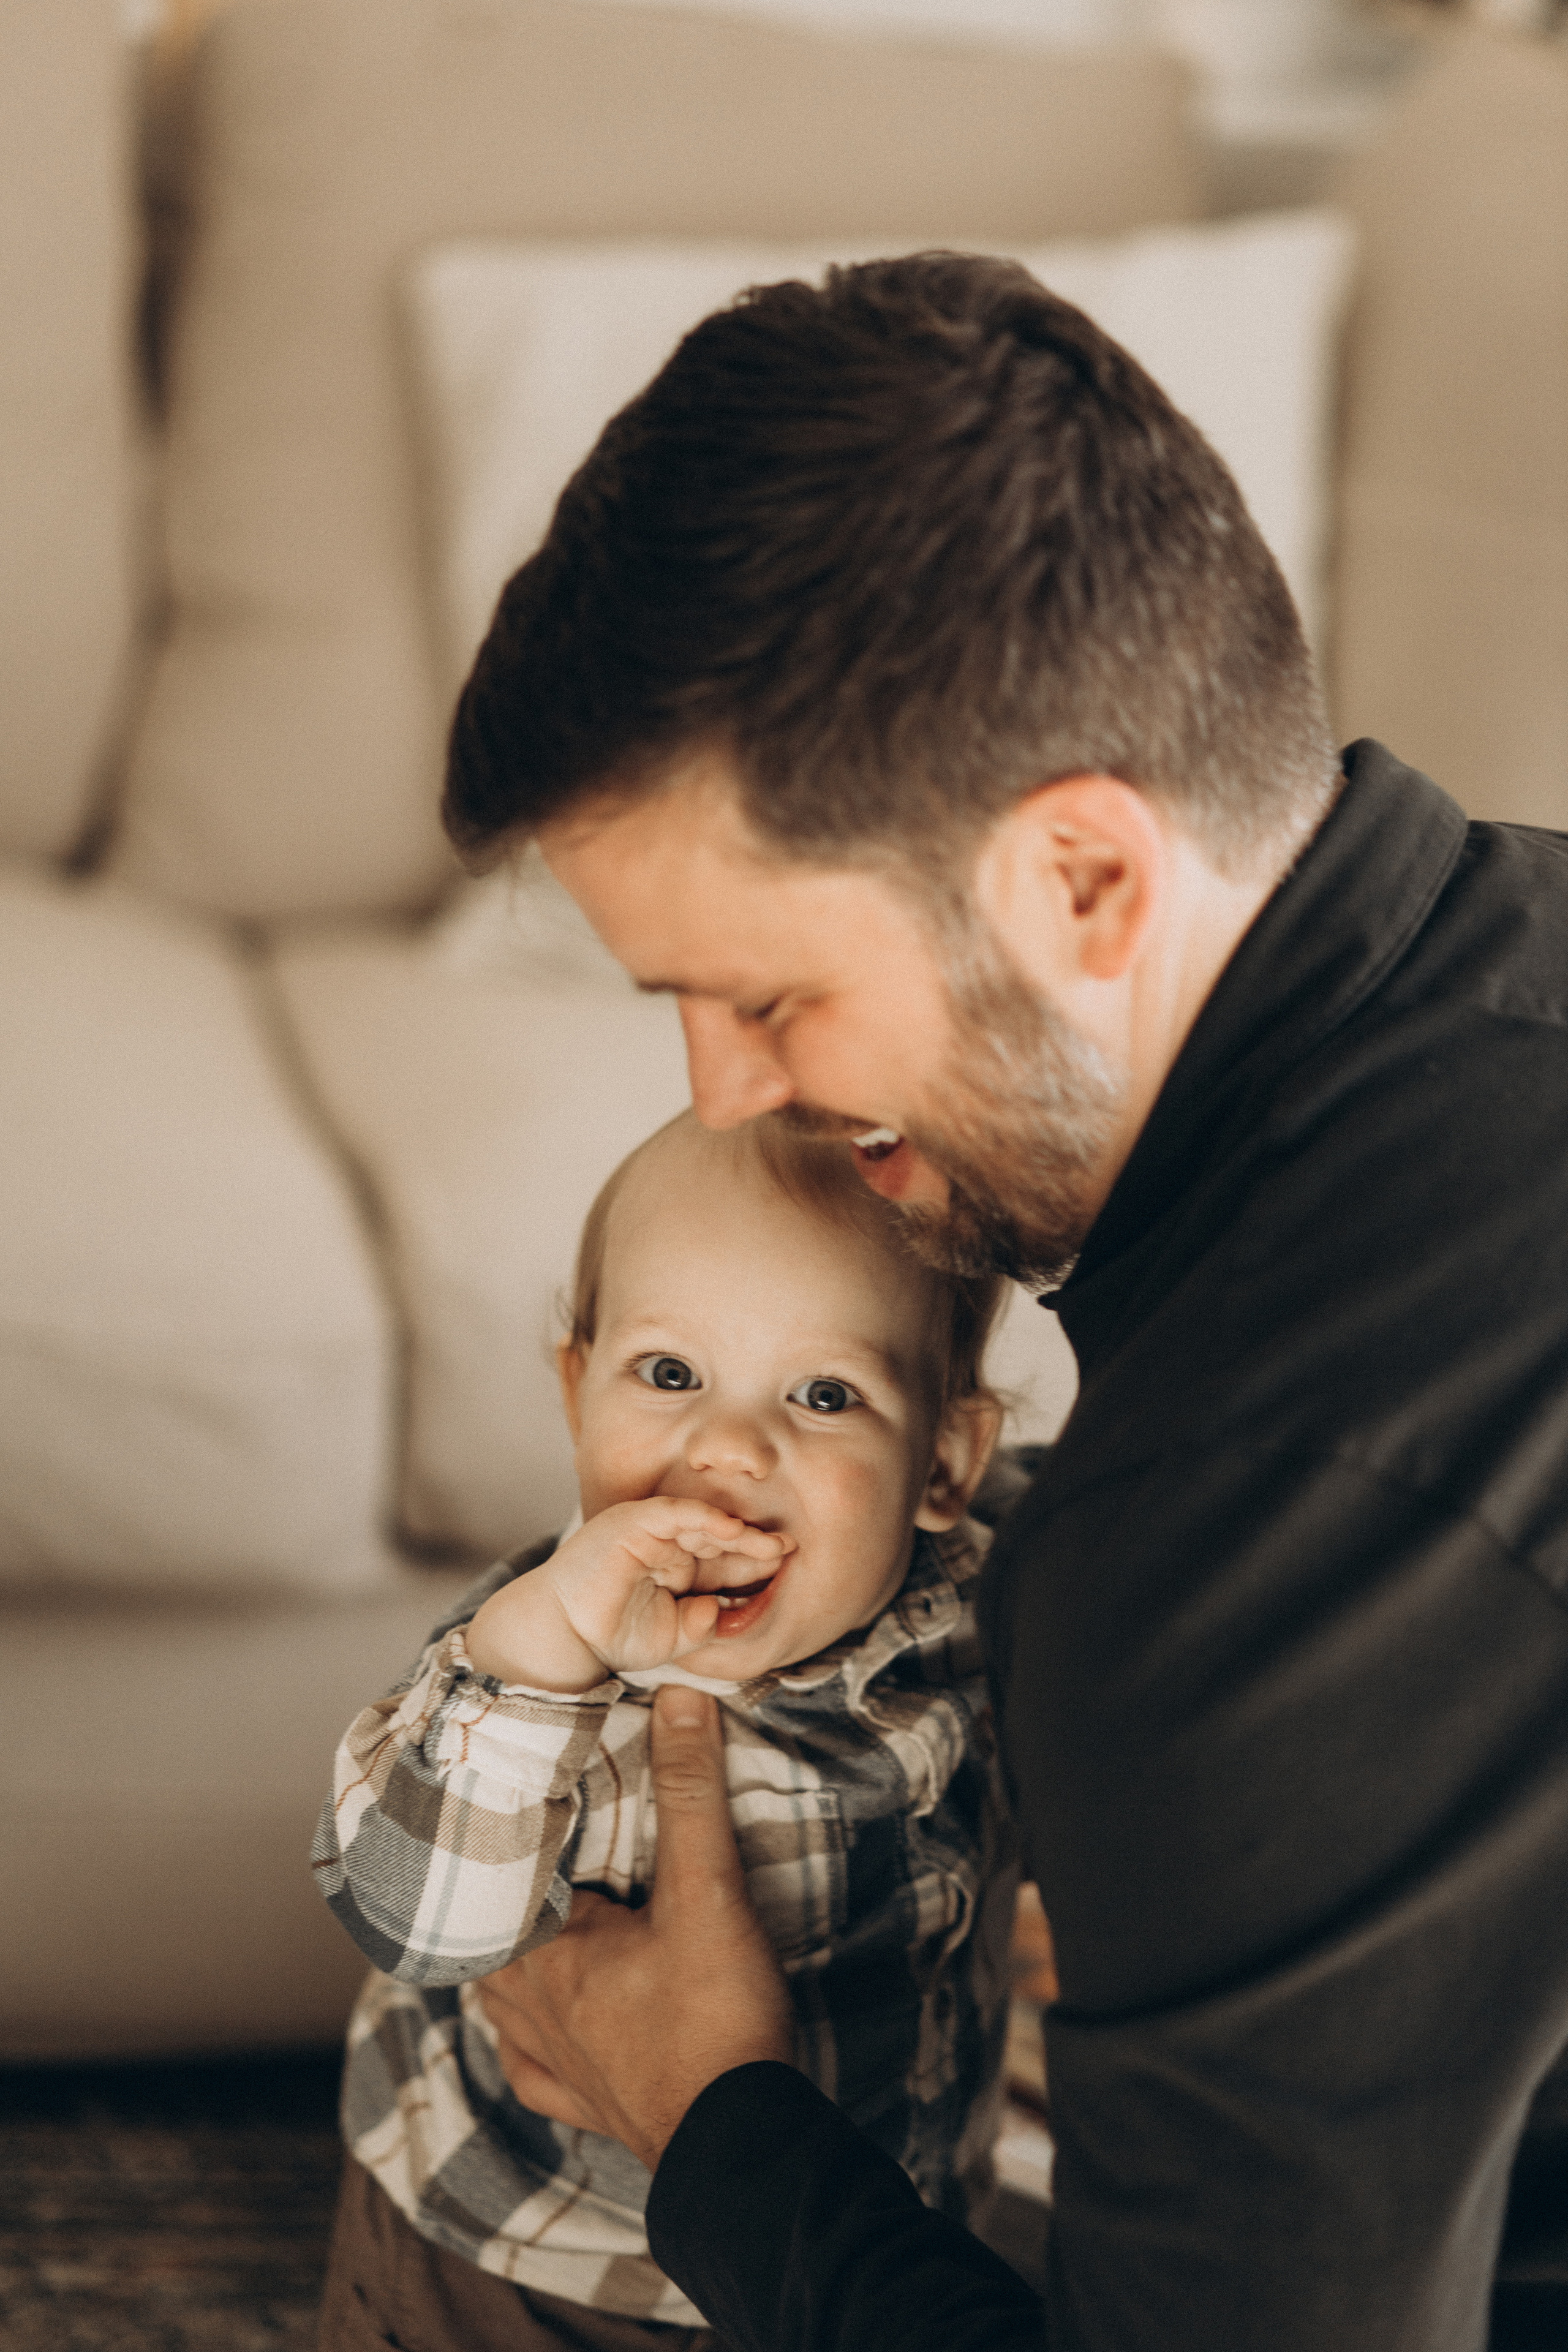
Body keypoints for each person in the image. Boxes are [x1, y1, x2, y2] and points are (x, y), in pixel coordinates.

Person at [429, 251, 1568, 2351]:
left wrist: (714, 2118)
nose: (722, 1096)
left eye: (768, 994)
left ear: (1084, 880)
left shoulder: (1247, 1534)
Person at [311, 1107, 1020, 2350]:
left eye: (823, 1393)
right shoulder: (527, 1671)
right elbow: (409, 1925)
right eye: (669, 1374)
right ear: (576, 1388)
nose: (728, 1447)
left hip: (876, 2223)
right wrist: (535, 1662)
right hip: (523, 2261)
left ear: (943, 1466)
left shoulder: (974, 1607)